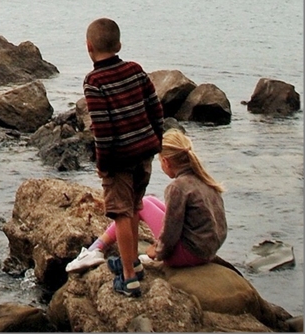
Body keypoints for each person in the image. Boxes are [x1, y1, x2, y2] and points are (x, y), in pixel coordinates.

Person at [66, 129, 227, 273]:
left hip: (189, 255)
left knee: (142, 204)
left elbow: (172, 229)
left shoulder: (178, 187)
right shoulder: (204, 180)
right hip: (207, 251)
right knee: (149, 200)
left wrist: (158, 252)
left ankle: (97, 248)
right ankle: (96, 249)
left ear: (166, 162)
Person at [82, 18, 164, 297]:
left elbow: (102, 129)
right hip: (144, 153)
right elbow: (156, 109)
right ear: (118, 45)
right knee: (134, 205)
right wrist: (156, 141)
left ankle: (128, 277)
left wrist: (103, 164)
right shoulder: (135, 70)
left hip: (118, 160)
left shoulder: (94, 82)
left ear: (88, 46)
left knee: (121, 212)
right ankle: (132, 264)